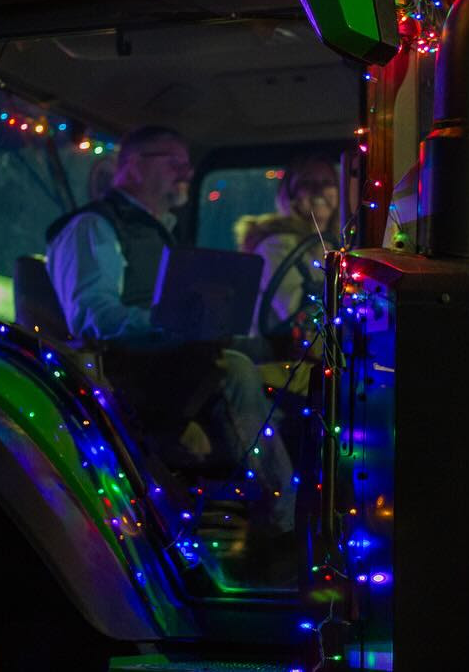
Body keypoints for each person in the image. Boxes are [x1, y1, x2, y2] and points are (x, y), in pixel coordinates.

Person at [45, 126, 297, 537]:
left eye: (187, 164)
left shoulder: (161, 232)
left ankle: (264, 513)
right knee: (234, 369)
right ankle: (282, 522)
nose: (187, 172)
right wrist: (174, 324)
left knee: (280, 360)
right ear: (132, 166)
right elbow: (94, 317)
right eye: (174, 161)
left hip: (171, 364)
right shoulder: (92, 227)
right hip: (128, 374)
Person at [235, 154, 339, 354]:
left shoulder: (339, 244)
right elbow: (297, 315)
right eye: (307, 183)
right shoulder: (275, 245)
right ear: (290, 194)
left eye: (327, 182)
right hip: (279, 358)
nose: (319, 190)